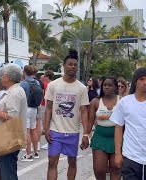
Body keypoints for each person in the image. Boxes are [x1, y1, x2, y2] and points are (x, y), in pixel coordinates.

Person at [44, 49, 90, 180]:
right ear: (64, 65)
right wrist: (46, 129)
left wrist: (85, 134)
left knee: (72, 162)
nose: (73, 67)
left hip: (73, 132)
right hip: (55, 131)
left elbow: (84, 111)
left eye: (75, 65)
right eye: (70, 64)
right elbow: (48, 108)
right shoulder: (53, 85)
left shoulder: (81, 88)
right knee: (52, 162)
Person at [0, 64, 27, 180]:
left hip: (9, 138)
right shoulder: (13, 91)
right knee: (4, 172)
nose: (1, 78)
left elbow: (11, 117)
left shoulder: (14, 93)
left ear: (7, 77)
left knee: (7, 174)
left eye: (2, 75)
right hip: (7, 137)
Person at [88, 77, 121, 180]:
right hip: (100, 138)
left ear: (115, 87)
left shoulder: (122, 101)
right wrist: (85, 135)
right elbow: (90, 121)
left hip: (118, 139)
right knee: (99, 170)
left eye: (110, 85)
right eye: (105, 85)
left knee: (116, 169)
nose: (107, 87)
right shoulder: (95, 101)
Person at [20, 65, 41, 162]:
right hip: (34, 108)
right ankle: (36, 152)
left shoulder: (24, 83)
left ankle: (28, 154)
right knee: (33, 130)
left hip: (27, 108)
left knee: (27, 131)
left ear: (24, 72)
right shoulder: (36, 82)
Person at [40, 70, 55, 150]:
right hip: (49, 106)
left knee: (48, 123)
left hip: (48, 107)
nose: (43, 77)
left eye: (45, 76)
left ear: (47, 77)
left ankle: (49, 141)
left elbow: (47, 98)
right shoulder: (52, 85)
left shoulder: (49, 85)